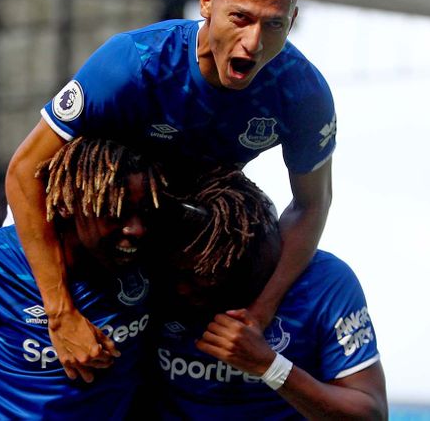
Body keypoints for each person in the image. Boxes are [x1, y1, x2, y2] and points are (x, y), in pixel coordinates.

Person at [7, 0, 337, 381]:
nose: (254, 41)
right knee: (2, 295)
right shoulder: (133, 64)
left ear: (291, 22)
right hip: (88, 229)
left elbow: (311, 204)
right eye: (240, 17)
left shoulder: (303, 93)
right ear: (206, 3)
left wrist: (259, 312)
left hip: (174, 242)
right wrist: (60, 311)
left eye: (274, 25)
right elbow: (23, 171)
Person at [0, 138, 165, 420]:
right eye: (116, 212)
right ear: (67, 203)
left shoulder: (154, 264)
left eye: (146, 212)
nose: (136, 229)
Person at [152, 167, 387, 420]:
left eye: (202, 278)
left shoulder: (322, 282)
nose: (182, 289)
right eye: (176, 273)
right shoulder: (150, 275)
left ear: (245, 265)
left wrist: (270, 366)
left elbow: (370, 414)